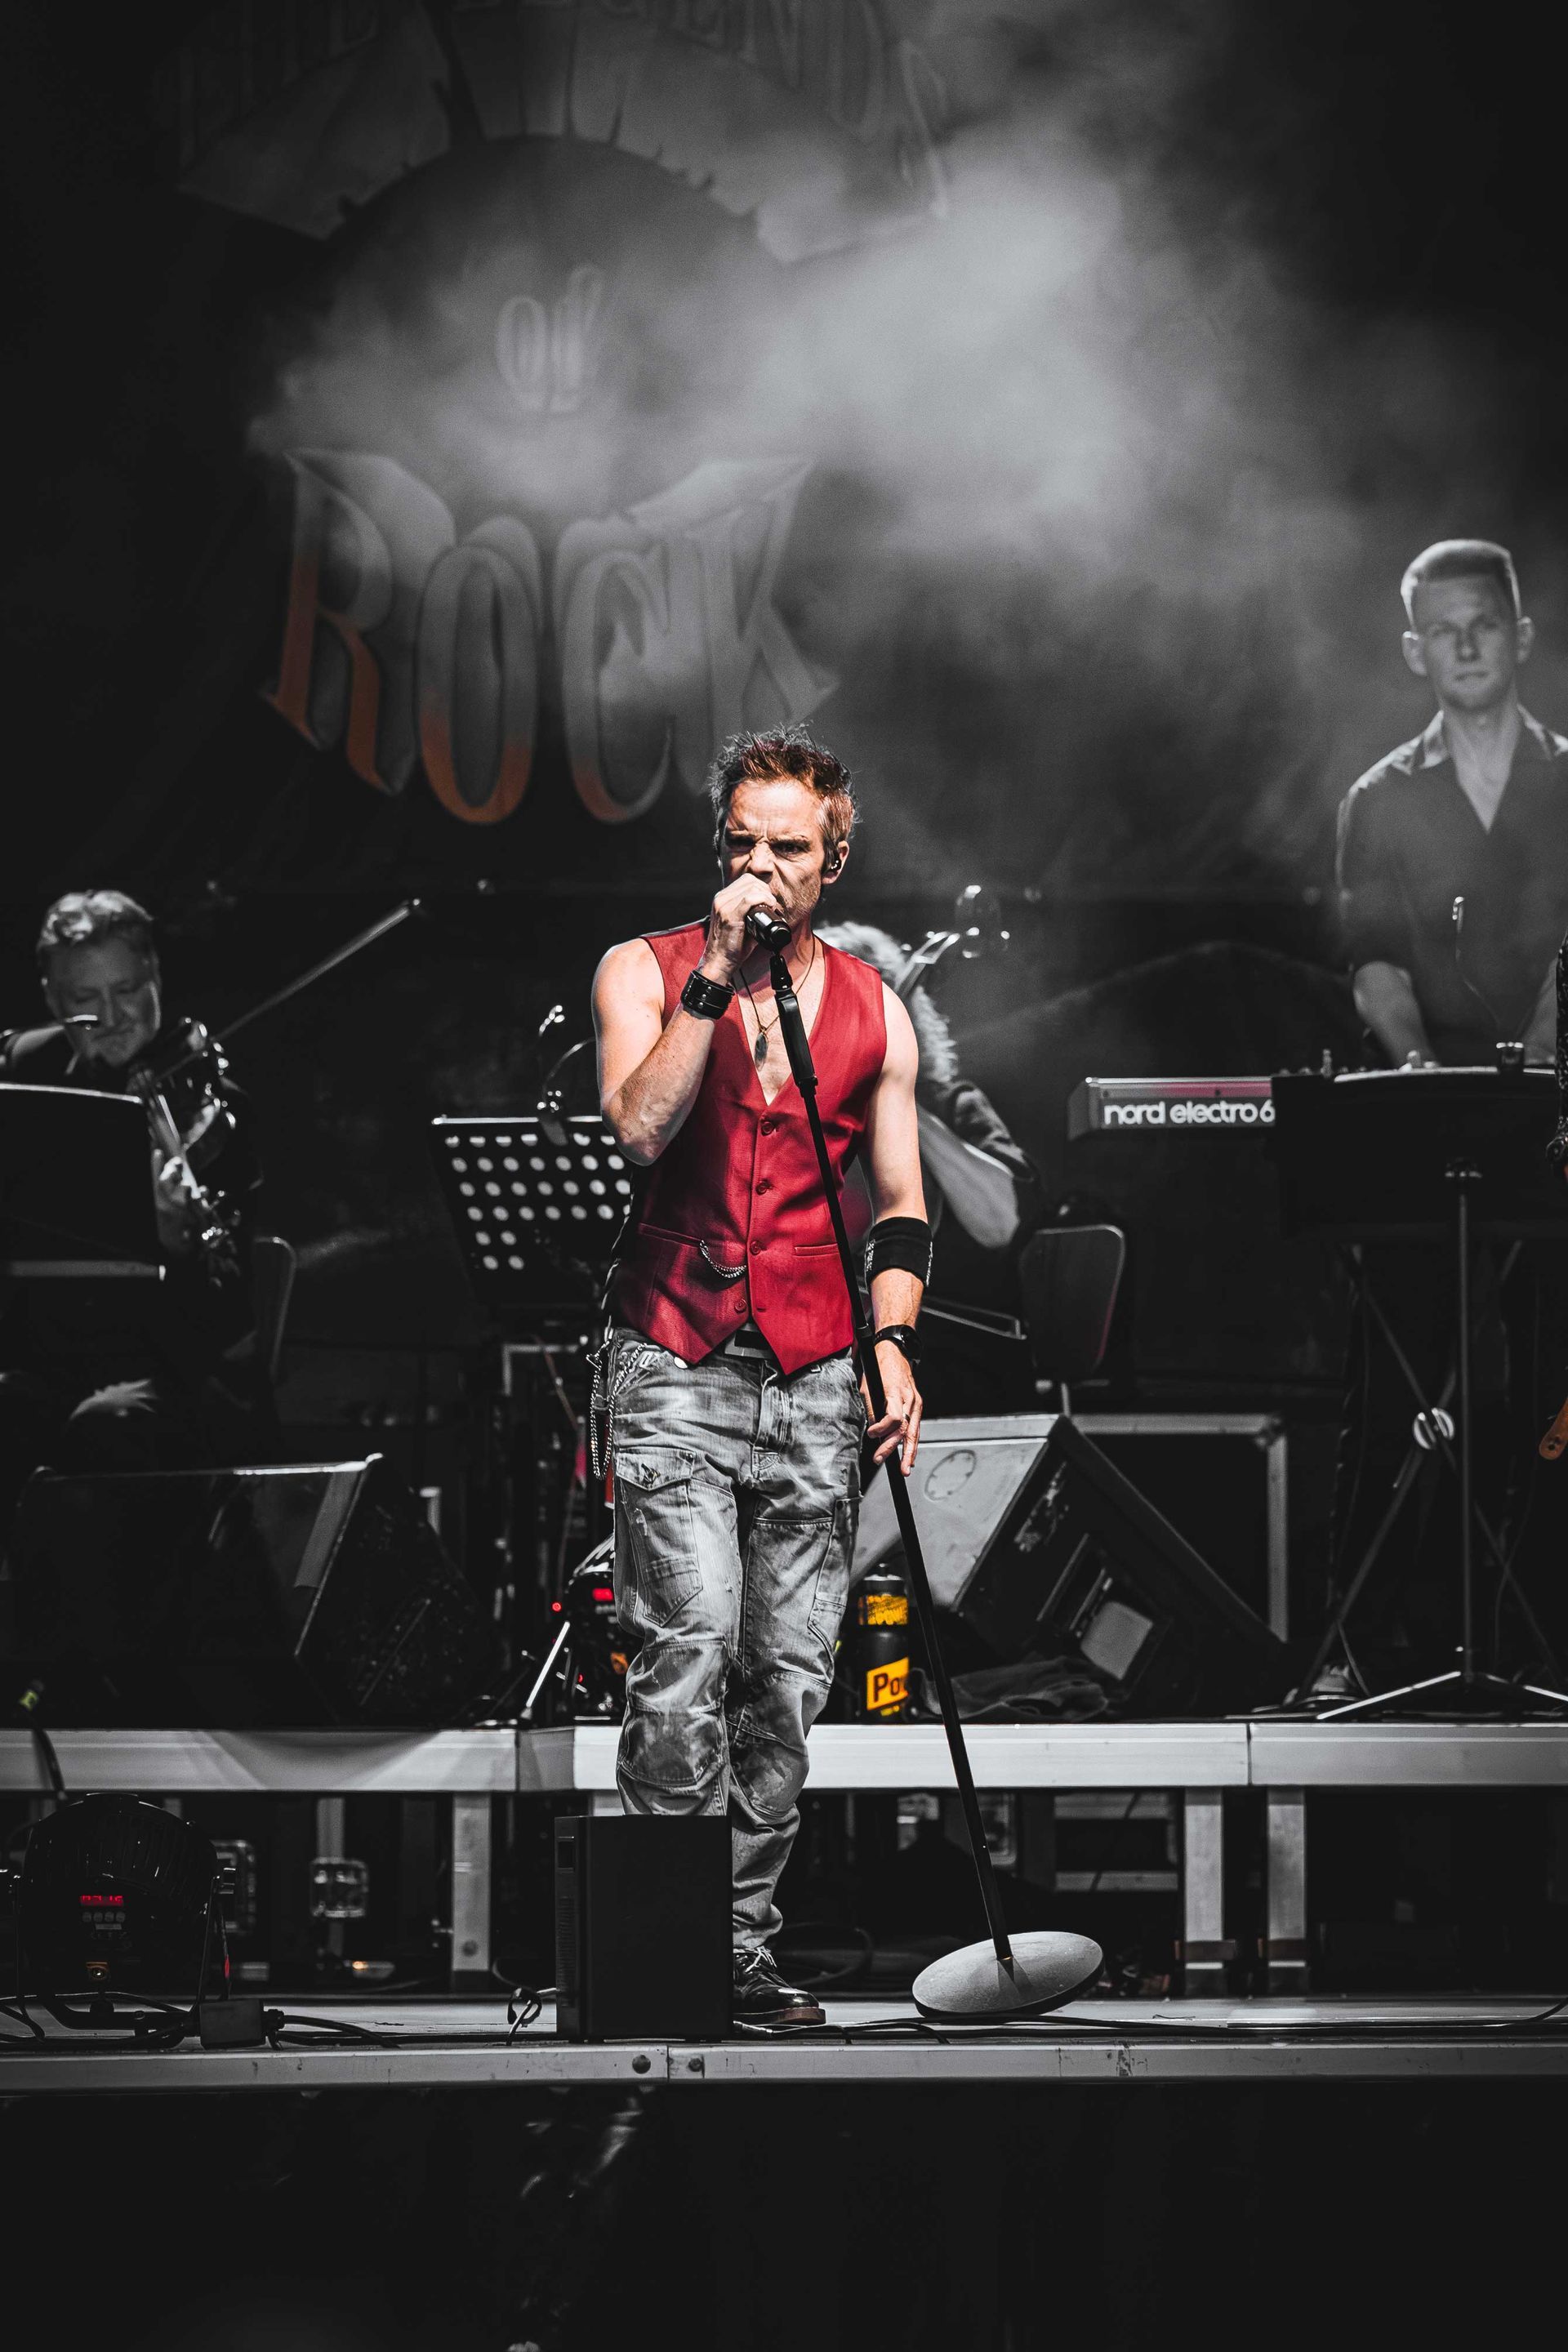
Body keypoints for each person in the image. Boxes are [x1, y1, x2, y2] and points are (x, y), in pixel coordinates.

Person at [592, 728, 929, 2026]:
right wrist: (715, 981)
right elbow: (640, 1128)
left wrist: (892, 1342)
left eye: (789, 847)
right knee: (689, 1649)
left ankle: (733, 1951)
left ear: (832, 861)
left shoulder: (874, 1008)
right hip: (673, 1347)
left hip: (814, 1365)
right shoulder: (647, 969)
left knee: (785, 1679)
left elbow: (899, 1206)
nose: (762, 867)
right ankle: (662, 1948)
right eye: (742, 843)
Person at [1331, 541, 1568, 1662]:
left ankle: (1544, 1635)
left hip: (1555, 1117)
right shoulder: (1380, 798)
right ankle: (1383, 1647)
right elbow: (1374, 963)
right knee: (1406, 1377)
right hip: (1428, 1124)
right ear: (1414, 649)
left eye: (1485, 624)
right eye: (1444, 629)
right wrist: (1424, 1074)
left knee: (1554, 1381)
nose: (1466, 644)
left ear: (1519, 635)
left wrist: (1539, 1065)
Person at [0, 890, 263, 1528]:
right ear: (52, 998)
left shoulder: (215, 1105)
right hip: (50, 1359)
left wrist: (179, 1246)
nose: (112, 1017)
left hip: (173, 1372)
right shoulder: (27, 1068)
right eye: (85, 1000)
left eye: (127, 991)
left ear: (156, 978)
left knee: (108, 1427)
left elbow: (228, 1314)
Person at [818, 919, 1042, 1407]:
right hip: (833, 1362)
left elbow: (1000, 1224)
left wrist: (898, 1099)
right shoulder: (806, 1117)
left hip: (956, 1361)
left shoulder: (952, 1104)